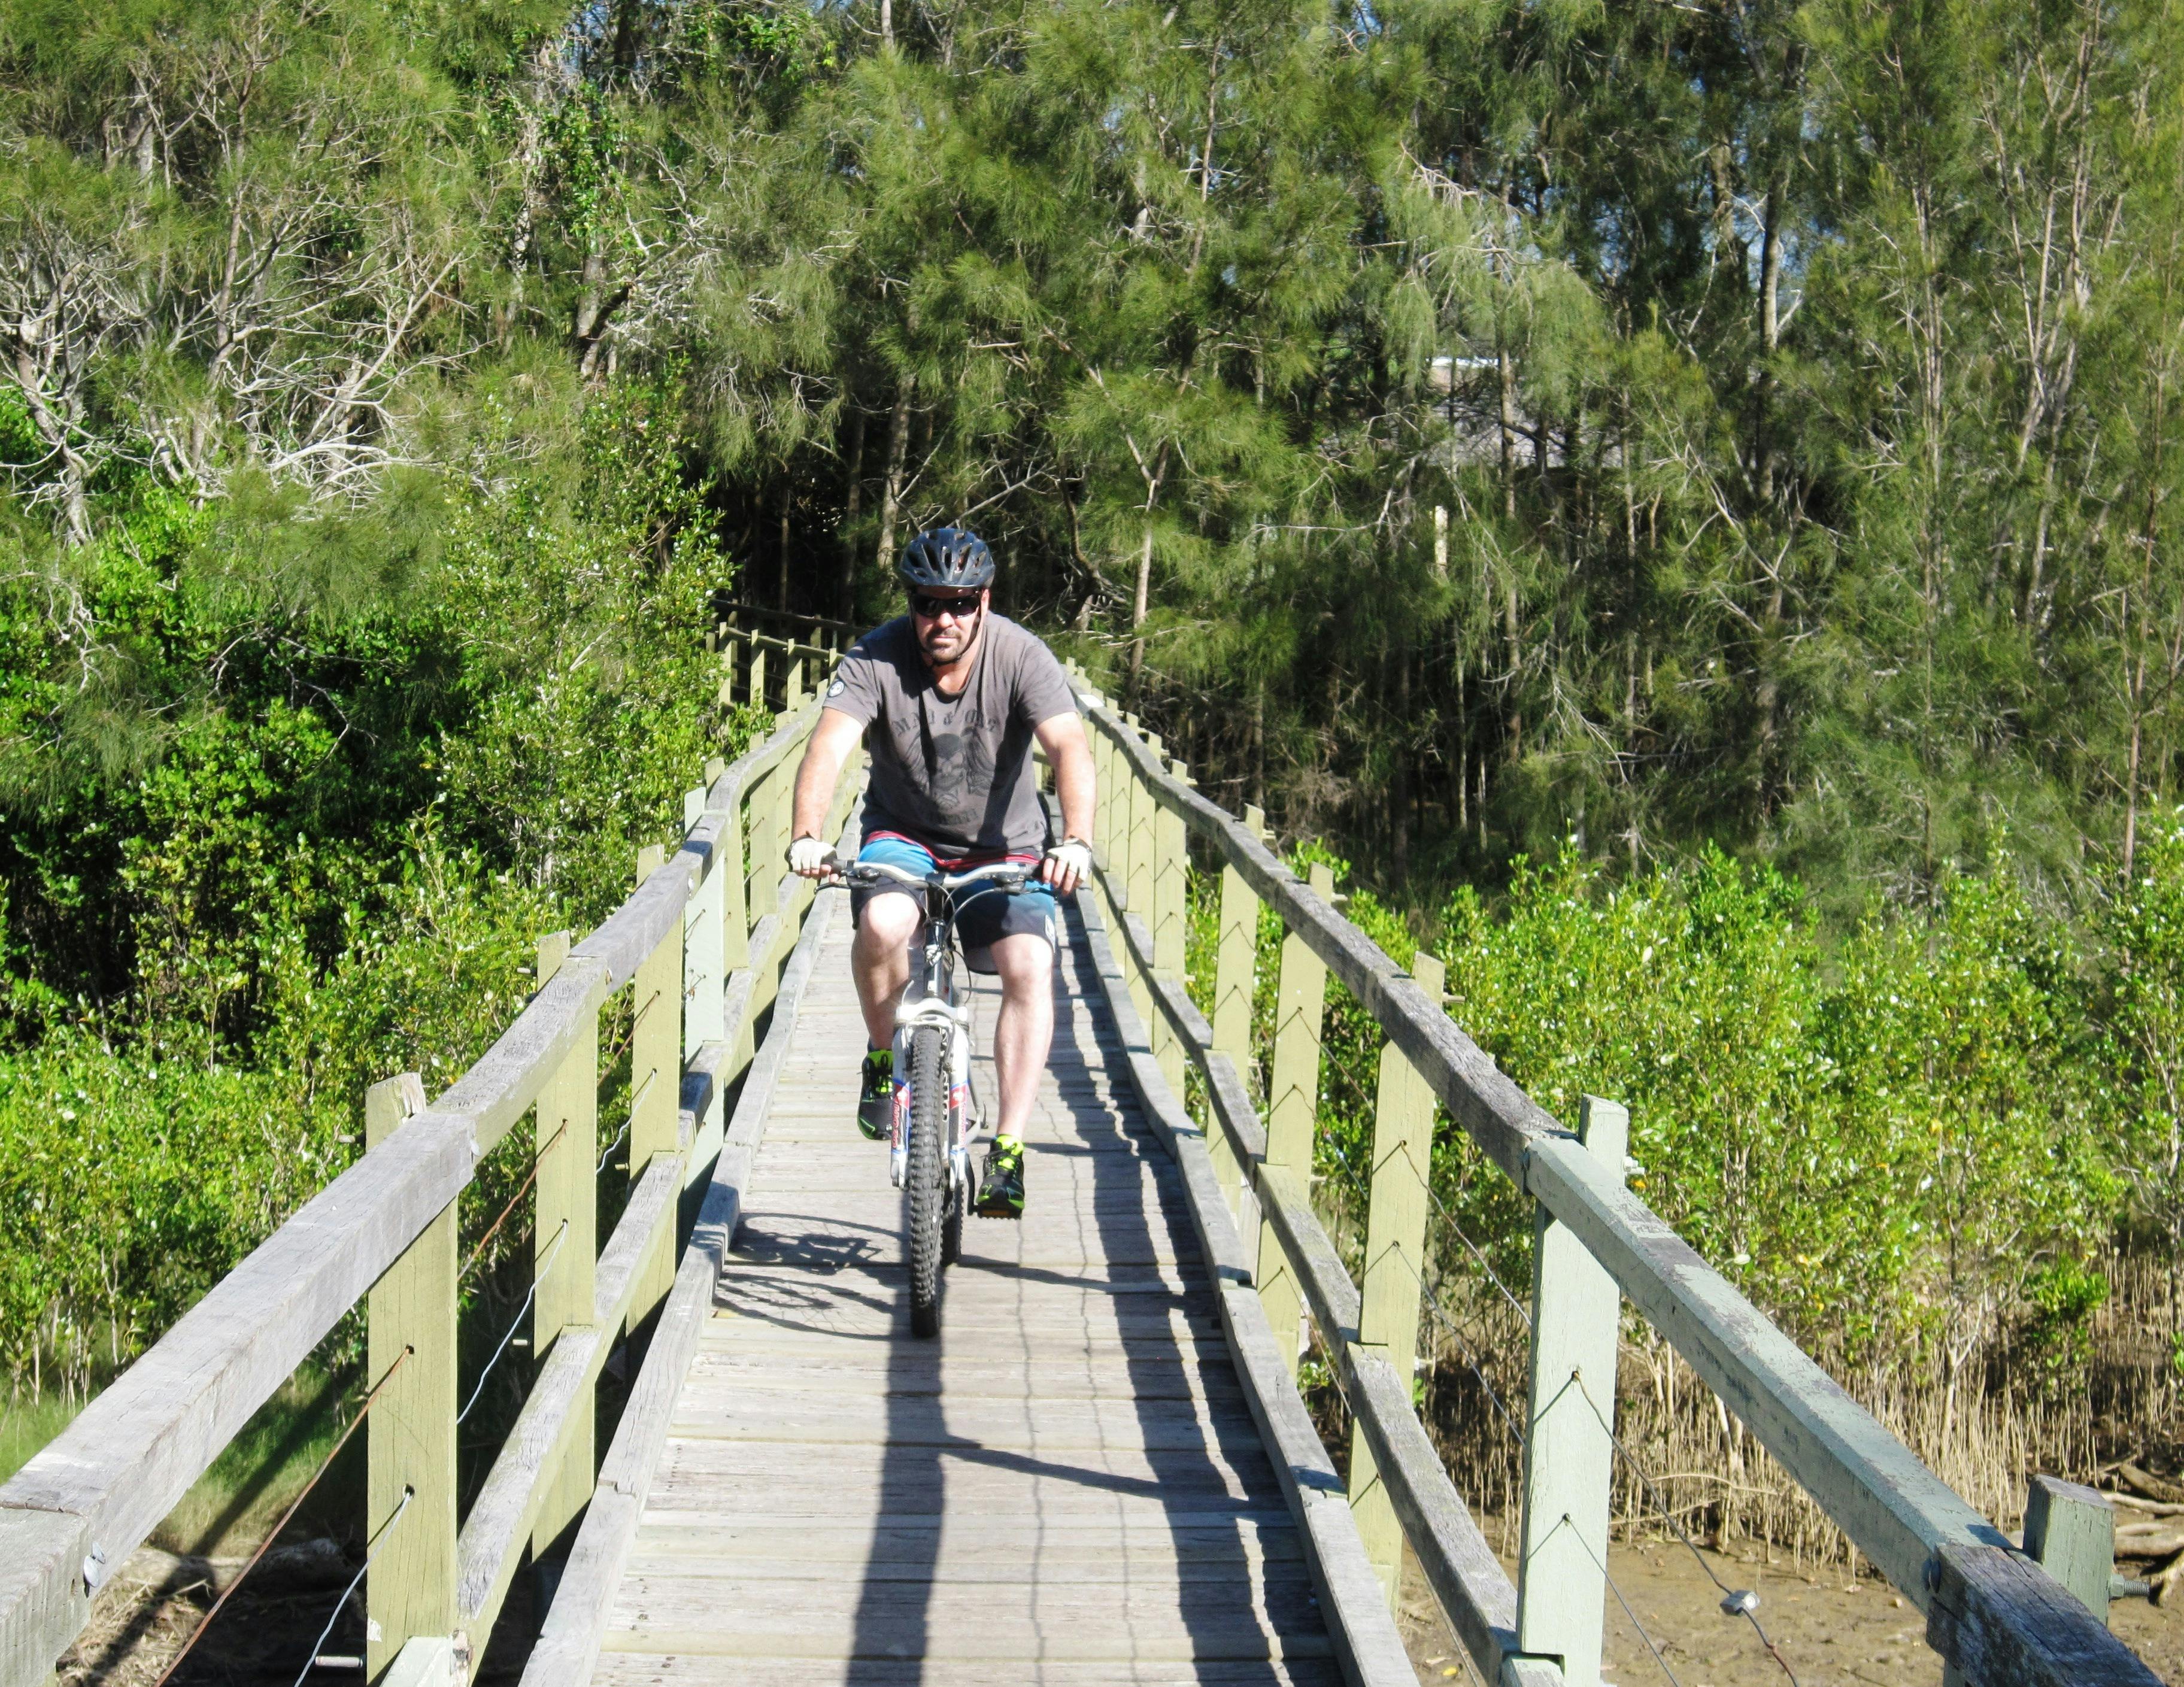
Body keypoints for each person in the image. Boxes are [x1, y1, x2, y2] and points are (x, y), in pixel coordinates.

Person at [785, 526, 1097, 1218]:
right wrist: (808, 834)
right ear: (911, 604)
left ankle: (1008, 1149)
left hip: (1004, 848)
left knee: (1029, 963)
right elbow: (828, 746)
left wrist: (1076, 840)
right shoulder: (875, 657)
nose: (944, 619)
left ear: (985, 601)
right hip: (904, 837)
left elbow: (1070, 746)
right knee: (881, 922)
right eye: (929, 603)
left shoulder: (1022, 656)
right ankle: (881, 1056)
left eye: (959, 603)